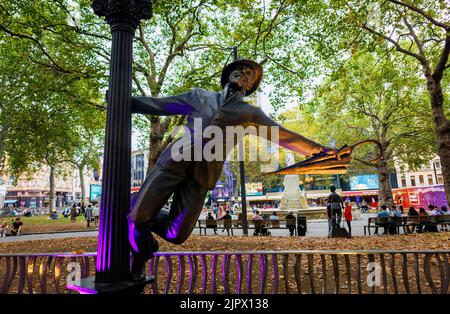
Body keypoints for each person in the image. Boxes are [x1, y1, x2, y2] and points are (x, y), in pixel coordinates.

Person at [127, 58, 337, 281]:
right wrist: (127, 101)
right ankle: (140, 254)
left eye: (249, 75)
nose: (243, 73)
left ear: (250, 86)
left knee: (176, 234)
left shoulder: (250, 114)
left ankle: (137, 204)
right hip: (173, 162)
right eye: (239, 70)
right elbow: (160, 105)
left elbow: (284, 135)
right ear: (229, 75)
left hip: (202, 177)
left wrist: (319, 150)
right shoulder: (200, 96)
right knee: (136, 219)